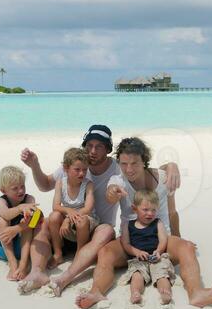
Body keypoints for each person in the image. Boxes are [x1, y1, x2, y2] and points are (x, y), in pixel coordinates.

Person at [12, 124, 181, 295]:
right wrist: (34, 165)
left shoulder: (120, 167)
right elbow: (46, 184)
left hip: (94, 232)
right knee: (44, 222)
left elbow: (147, 168)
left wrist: (172, 165)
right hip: (64, 229)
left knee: (107, 230)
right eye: (89, 145)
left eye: (99, 146)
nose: (92, 151)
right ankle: (37, 272)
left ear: (108, 149)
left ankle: (66, 277)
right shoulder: (76, 164)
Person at [75, 136, 212, 309]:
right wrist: (112, 192)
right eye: (123, 164)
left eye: (134, 163)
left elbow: (172, 212)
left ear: (144, 162)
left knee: (186, 248)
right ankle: (96, 292)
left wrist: (178, 241)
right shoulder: (118, 180)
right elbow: (110, 194)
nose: (129, 169)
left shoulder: (164, 178)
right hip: (130, 241)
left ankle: (196, 293)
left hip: (161, 239)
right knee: (105, 252)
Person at [120, 188, 175, 307]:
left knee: (161, 274)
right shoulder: (128, 225)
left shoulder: (158, 223)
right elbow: (126, 244)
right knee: (137, 275)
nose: (150, 213)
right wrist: (137, 252)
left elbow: (163, 239)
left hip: (157, 257)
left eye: (153, 210)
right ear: (135, 208)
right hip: (138, 259)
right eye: (145, 209)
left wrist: (159, 251)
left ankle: (165, 292)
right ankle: (136, 292)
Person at [49, 147, 98, 266]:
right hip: (70, 216)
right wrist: (67, 211)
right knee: (54, 216)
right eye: (77, 169)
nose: (82, 173)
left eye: (85, 170)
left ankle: (79, 254)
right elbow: (55, 206)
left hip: (85, 219)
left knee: (81, 221)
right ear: (66, 168)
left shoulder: (88, 185)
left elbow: (88, 208)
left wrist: (67, 219)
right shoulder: (60, 183)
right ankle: (58, 253)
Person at [0, 165, 41, 282]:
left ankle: (23, 264)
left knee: (29, 220)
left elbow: (35, 220)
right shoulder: (1, 201)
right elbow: (6, 214)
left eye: (22, 186)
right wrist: (20, 208)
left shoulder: (29, 199)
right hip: (2, 247)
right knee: (3, 220)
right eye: (15, 188)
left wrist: (17, 229)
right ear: (3, 190)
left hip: (23, 247)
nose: (21, 191)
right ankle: (13, 264)